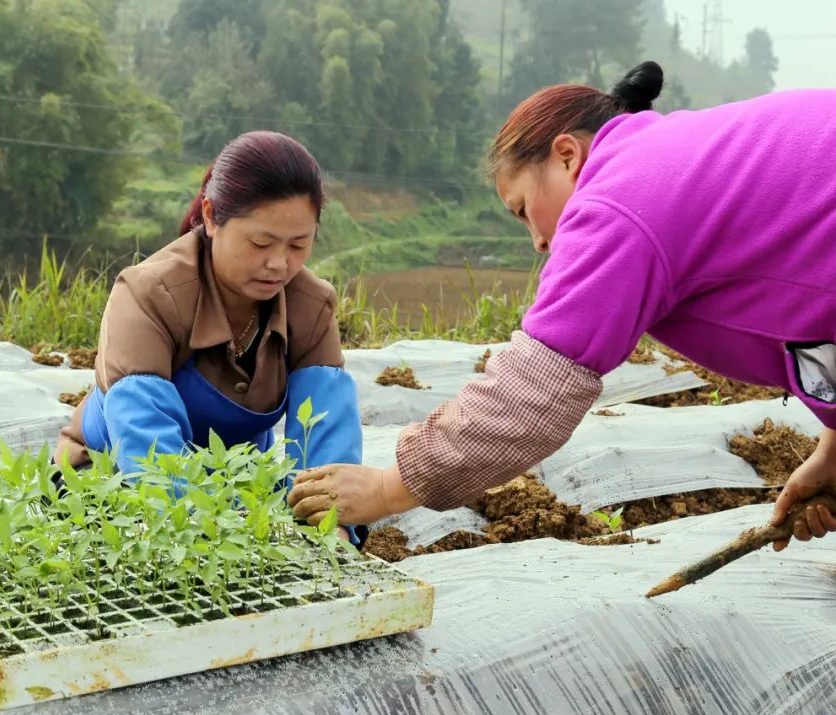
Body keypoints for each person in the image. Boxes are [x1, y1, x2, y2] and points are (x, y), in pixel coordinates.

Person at [289, 61, 836, 553]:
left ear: (567, 156)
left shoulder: (618, 202)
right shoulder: (665, 164)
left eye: (524, 209)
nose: (537, 241)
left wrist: (386, 488)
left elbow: (531, 393)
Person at [55, 131, 365, 544]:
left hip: (235, 484)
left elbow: (325, 434)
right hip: (115, 477)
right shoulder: (149, 294)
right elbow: (145, 439)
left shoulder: (310, 305)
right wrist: (212, 533)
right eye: (260, 242)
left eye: (298, 244)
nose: (278, 264)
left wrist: (330, 525)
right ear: (212, 216)